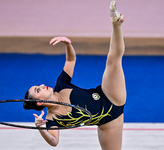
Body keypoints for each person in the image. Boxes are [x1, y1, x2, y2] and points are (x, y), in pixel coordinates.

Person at [23, 1, 126, 150]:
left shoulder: (61, 84)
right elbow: (54, 141)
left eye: (37, 86)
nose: (41, 86)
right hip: (108, 123)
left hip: (110, 95)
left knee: (113, 60)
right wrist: (40, 128)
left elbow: (71, 60)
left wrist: (67, 44)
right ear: (39, 103)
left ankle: (116, 24)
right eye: (38, 90)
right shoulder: (52, 120)